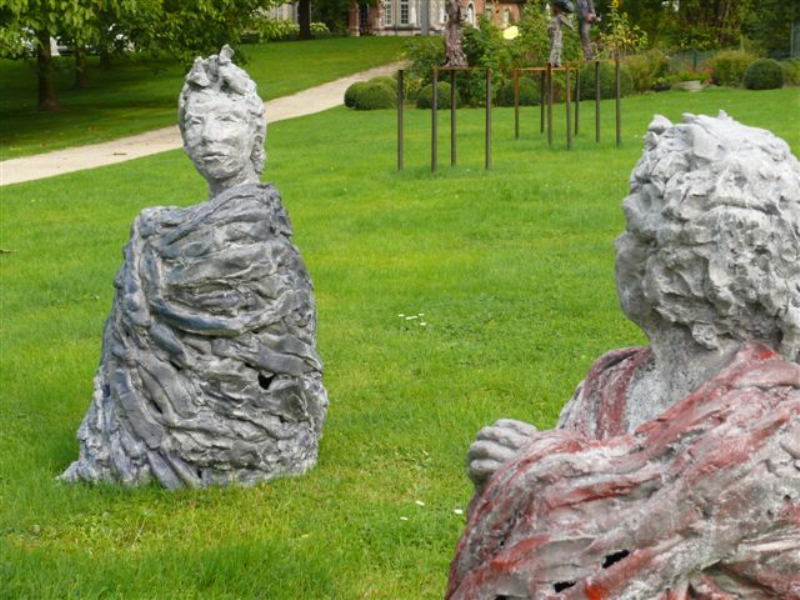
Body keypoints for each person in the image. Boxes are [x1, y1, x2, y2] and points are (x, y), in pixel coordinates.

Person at [452, 113, 800, 597]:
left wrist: (532, 468)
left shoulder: (770, 429)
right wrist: (516, 476)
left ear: (690, 267)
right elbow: (577, 498)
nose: (618, 244)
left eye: (634, 233)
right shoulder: (613, 381)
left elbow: (610, 544)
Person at [547, 3, 574, 68]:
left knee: (556, 47)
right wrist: (572, 27)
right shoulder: (558, 16)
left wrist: (571, 26)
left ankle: (556, 62)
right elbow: (567, 23)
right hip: (556, 33)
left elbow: (566, 22)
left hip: (554, 33)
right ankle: (552, 62)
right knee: (556, 47)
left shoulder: (556, 17)